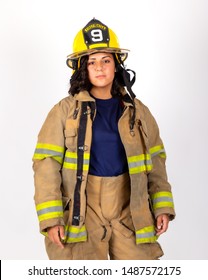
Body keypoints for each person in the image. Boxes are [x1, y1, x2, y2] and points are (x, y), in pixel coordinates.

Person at [32, 18, 175, 260]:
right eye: (92, 62)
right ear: (82, 68)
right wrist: (51, 218)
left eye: (106, 60)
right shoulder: (63, 112)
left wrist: (162, 206)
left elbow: (156, 160)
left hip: (129, 210)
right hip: (82, 212)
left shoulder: (138, 112)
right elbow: (46, 165)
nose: (99, 67)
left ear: (116, 65)